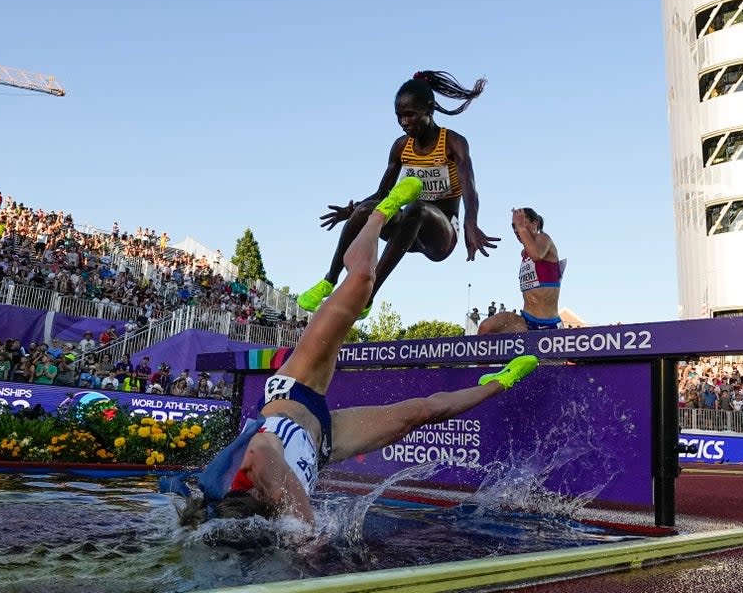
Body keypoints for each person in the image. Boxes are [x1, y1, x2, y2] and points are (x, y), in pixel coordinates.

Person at [180, 175, 538, 527]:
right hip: (323, 441)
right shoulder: (267, 520)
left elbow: (261, 454)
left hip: (294, 388)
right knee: (422, 412)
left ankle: (380, 214)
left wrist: (307, 527)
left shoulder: (249, 475)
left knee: (362, 280)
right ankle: (501, 380)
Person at [297, 71, 499, 318]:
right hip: (406, 232)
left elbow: (470, 188)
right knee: (367, 209)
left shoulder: (452, 143)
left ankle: (368, 295)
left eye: (410, 115)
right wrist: (352, 212)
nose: (404, 122)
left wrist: (471, 222)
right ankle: (329, 280)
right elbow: (383, 192)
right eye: (399, 116)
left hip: (441, 233)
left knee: (418, 208)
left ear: (429, 109)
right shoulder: (401, 147)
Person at [480, 207, 565, 334]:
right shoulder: (524, 254)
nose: (516, 229)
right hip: (525, 320)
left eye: (521, 223)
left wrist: (521, 228)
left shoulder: (544, 238)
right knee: (486, 327)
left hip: (549, 323)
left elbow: (537, 255)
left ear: (535, 223)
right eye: (514, 226)